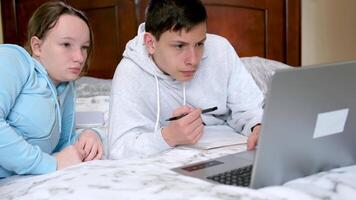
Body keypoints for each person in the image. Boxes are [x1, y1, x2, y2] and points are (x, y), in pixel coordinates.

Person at [108, 0, 263, 159]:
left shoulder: (221, 49)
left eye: (199, 44)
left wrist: (259, 127)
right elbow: (119, 150)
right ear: (150, 43)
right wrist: (168, 136)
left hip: (232, 155)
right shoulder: (129, 72)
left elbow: (250, 109)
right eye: (179, 46)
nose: (193, 60)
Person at [0, 1, 103, 178]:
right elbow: (56, 160)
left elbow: (62, 147)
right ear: (37, 46)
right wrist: (49, 164)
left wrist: (90, 135)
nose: (79, 57)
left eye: (84, 47)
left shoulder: (66, 85)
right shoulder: (13, 58)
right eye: (66, 44)